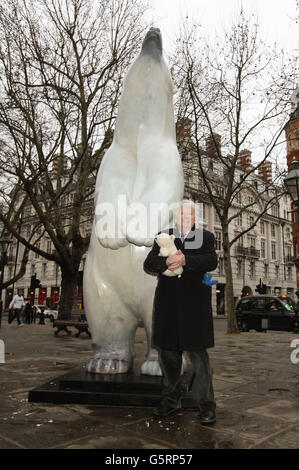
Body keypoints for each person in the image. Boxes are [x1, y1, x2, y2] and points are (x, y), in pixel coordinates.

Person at [143, 200, 218, 425]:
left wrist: (186, 259)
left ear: (194, 218)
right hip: (168, 306)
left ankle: (206, 406)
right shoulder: (163, 236)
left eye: (188, 215)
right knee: (168, 357)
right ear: (175, 218)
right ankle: (171, 400)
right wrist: (166, 260)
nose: (184, 218)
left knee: (199, 358)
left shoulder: (206, 237)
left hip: (195, 307)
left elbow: (211, 260)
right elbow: (148, 264)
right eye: (180, 215)